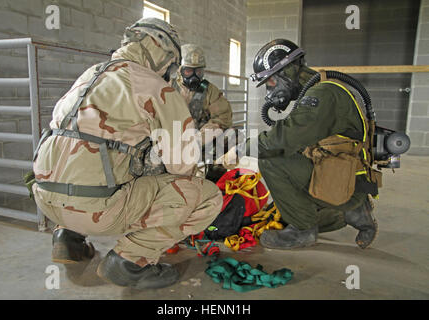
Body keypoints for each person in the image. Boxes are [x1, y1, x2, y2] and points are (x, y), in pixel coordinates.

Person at [31, 17, 223, 289]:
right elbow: (182, 166)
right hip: (98, 208)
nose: (172, 71)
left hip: (47, 200)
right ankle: (129, 261)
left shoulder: (91, 74)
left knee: (87, 159)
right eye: (172, 64)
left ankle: (67, 239)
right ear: (162, 52)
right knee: (206, 196)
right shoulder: (155, 86)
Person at [222, 39, 379, 250]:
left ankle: (303, 230)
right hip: (350, 176)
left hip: (345, 179)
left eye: (270, 82)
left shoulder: (322, 95)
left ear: (286, 72)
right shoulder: (322, 88)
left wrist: (240, 150)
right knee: (287, 202)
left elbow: (284, 138)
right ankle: (355, 211)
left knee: (271, 162)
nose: (270, 90)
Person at [171, 44, 233, 179]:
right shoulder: (168, 87)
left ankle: (215, 182)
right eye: (188, 71)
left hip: (200, 139)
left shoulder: (209, 90)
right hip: (171, 139)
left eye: (198, 72)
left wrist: (199, 139)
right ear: (180, 70)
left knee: (230, 137)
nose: (194, 76)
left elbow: (222, 118)